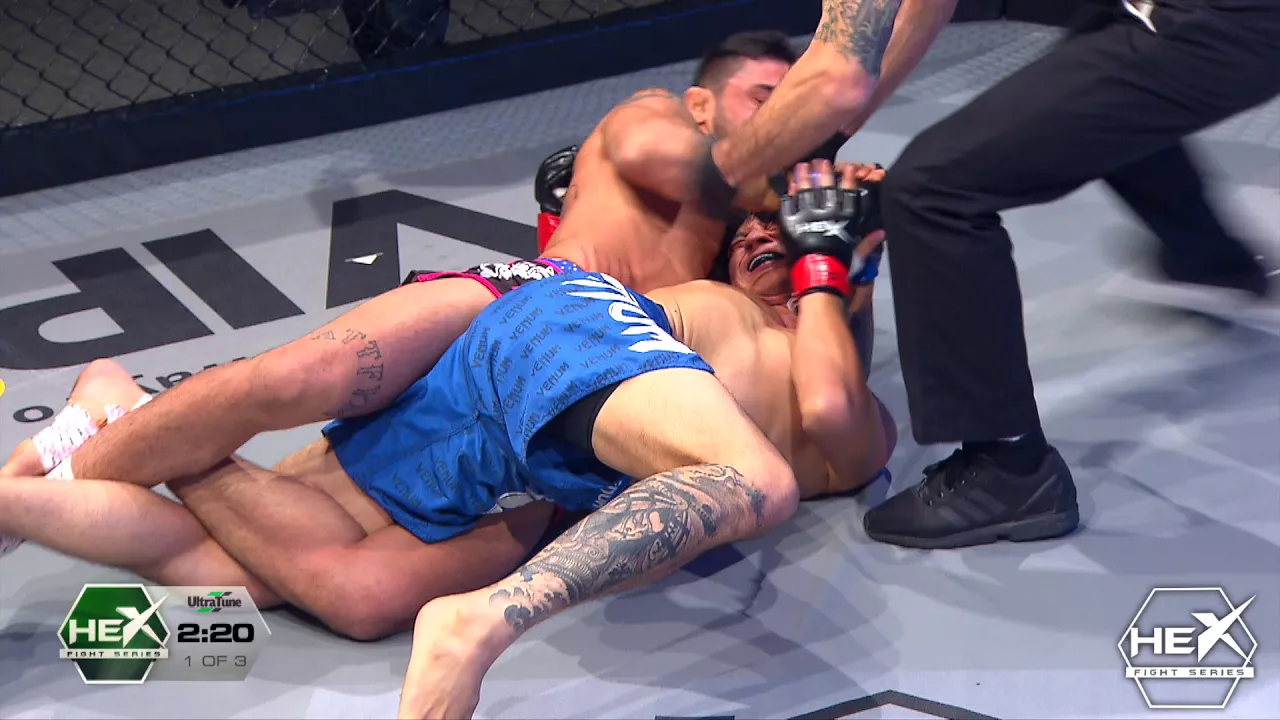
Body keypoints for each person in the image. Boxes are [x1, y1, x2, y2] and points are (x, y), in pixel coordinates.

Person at [0, 163, 891, 690]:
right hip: (549, 338)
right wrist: (822, 246)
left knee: (271, 583)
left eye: (787, 233)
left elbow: (832, 407)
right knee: (298, 382)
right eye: (754, 231)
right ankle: (124, 425)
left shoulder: (844, 402)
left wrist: (836, 261)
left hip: (549, 468)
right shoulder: (706, 300)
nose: (765, 238)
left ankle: (91, 431)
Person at [0, 30, 797, 486]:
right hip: (533, 303)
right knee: (295, 378)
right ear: (702, 102)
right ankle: (33, 495)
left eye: (793, 103)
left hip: (585, 393)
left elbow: (793, 353)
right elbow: (687, 168)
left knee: (297, 507)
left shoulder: (763, 220)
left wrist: (821, 236)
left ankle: (109, 408)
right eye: (766, 99)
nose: (783, 119)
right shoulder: (657, 119)